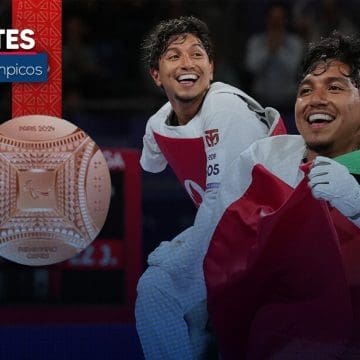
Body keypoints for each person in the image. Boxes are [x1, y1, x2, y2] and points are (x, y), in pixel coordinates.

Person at [200, 31, 360, 358]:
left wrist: (357, 208)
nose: (315, 99)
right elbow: (216, 240)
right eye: (305, 90)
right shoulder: (264, 158)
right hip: (270, 340)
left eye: (334, 87)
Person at [136, 16, 285, 359]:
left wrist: (179, 257)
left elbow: (223, 201)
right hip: (236, 238)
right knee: (175, 307)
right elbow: (150, 161)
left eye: (197, 54)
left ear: (211, 68)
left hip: (275, 237)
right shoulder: (157, 123)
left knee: (161, 287)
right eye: (174, 55)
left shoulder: (226, 107)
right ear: (156, 75)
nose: (187, 63)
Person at [244, 1, 304, 133]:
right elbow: (251, 68)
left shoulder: (295, 43)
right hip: (262, 103)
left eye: (279, 19)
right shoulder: (256, 42)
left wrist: (279, 49)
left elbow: (294, 70)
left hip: (288, 104)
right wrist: (268, 50)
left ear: (285, 21)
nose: (276, 23)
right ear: (267, 20)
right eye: (273, 18)